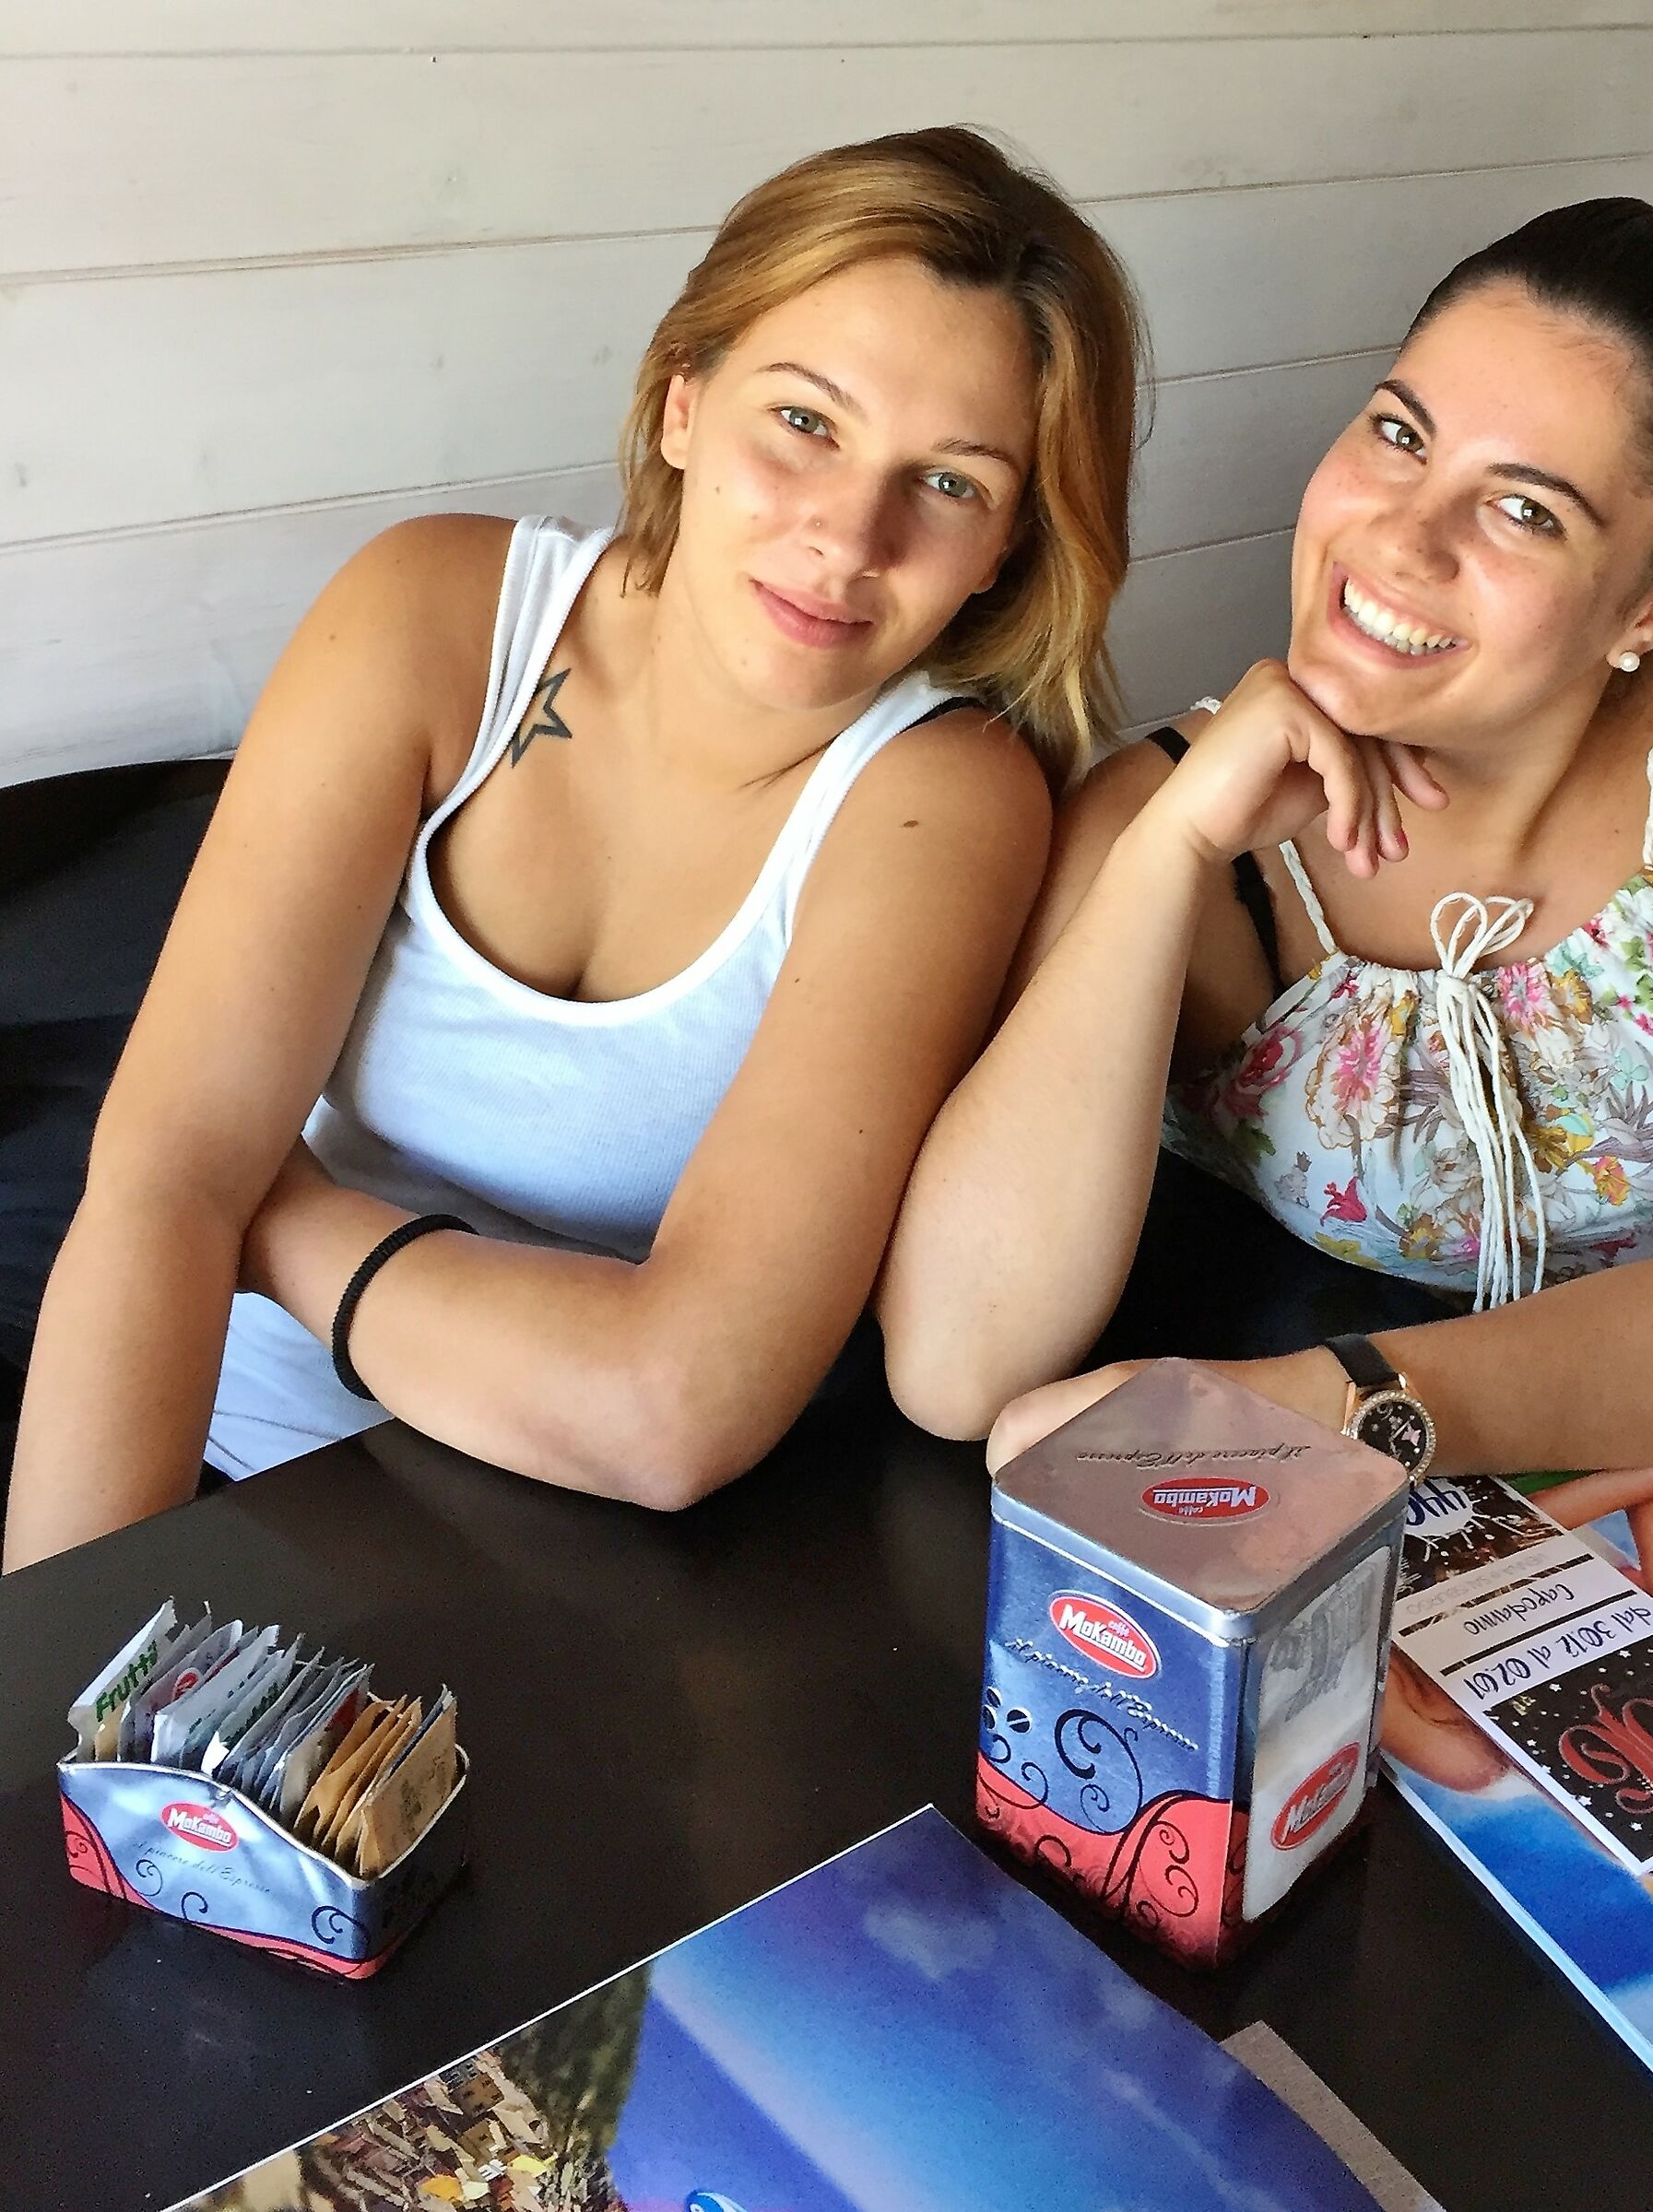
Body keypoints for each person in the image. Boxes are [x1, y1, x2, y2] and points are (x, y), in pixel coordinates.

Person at [877, 197, 1653, 1641]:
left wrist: (1352, 1405)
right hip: (1355, 1556)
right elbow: (955, 1362)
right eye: (1398, 432)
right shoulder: (1175, 822)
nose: (1402, 535)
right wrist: (1170, 847)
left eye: (1525, 508)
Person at [3, 126, 1144, 1570]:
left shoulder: (944, 799)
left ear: (1009, 553)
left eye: (953, 483)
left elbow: (673, 1411)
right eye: (804, 421)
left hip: (570, 1551)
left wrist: (265, 1210)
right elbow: (153, 1200)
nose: (847, 535)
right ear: (682, 402)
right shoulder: (433, 615)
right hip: (221, 1448)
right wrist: (54, 1705)